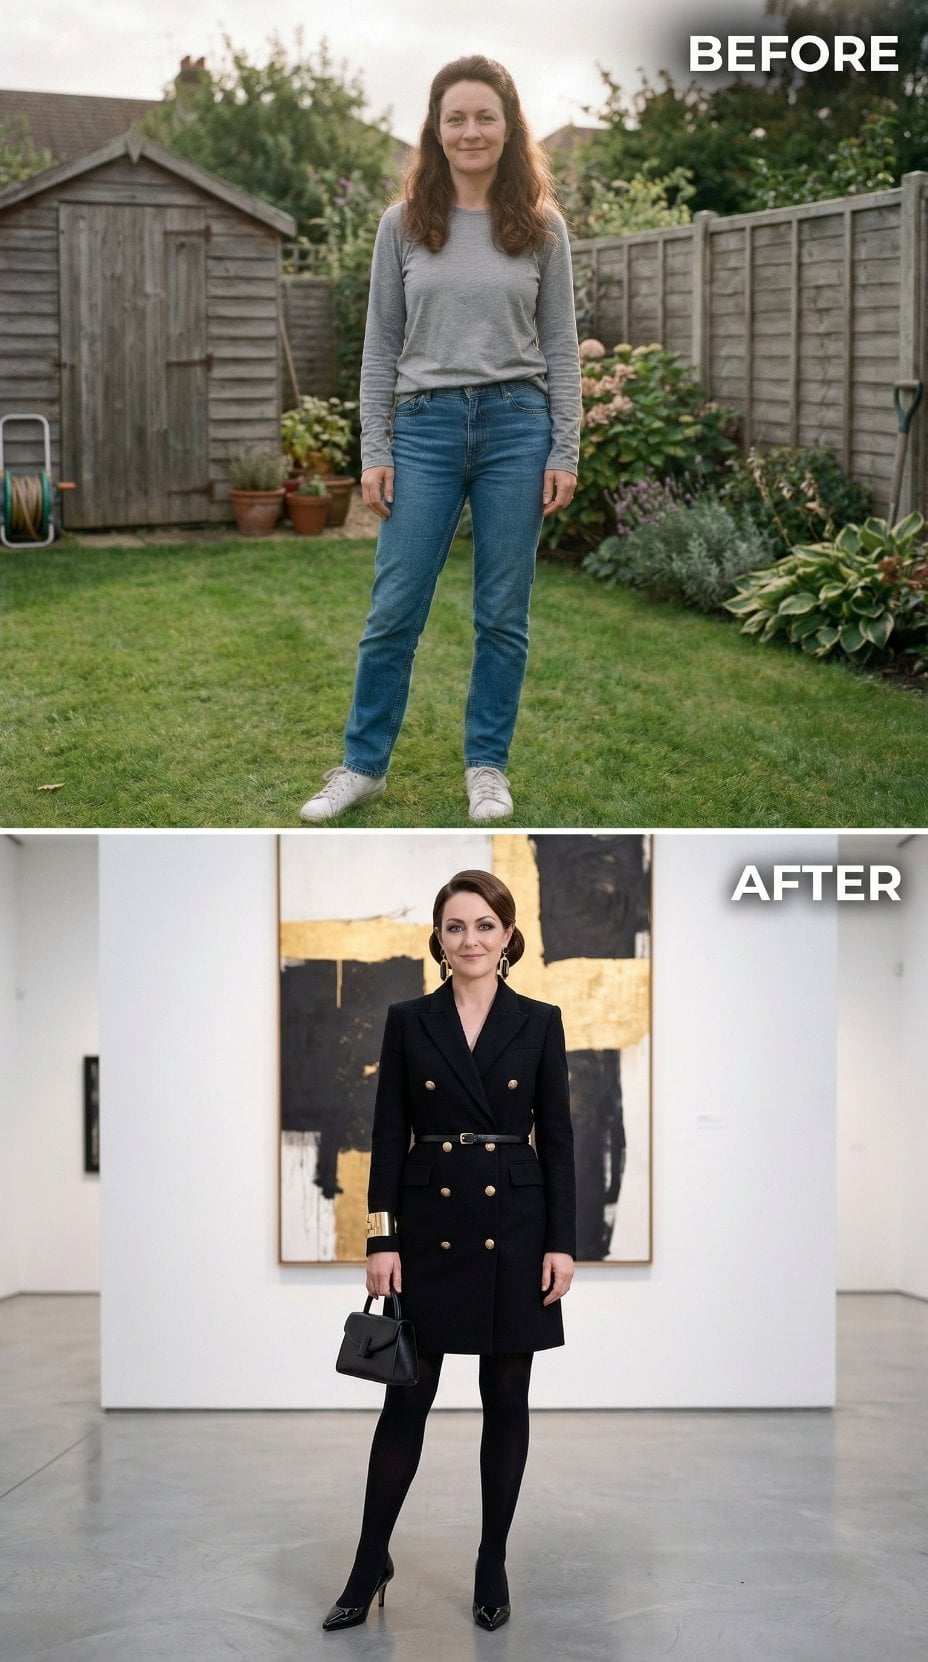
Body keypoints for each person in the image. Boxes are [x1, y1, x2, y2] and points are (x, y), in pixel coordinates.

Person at [301, 55, 581, 827]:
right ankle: (362, 765)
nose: (470, 131)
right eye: (455, 117)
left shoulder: (542, 228)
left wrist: (564, 450)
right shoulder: (402, 225)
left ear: (508, 126)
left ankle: (487, 767)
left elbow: (560, 348)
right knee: (394, 609)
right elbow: (379, 347)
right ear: (436, 127)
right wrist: (375, 448)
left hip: (516, 430)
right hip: (422, 430)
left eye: (485, 116)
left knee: (502, 612)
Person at [322, 870, 576, 1632]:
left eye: (485, 925)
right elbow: (386, 1131)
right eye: (456, 926)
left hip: (516, 1223)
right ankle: (370, 1561)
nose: (470, 939)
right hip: (428, 1227)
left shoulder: (540, 1020)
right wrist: (382, 1236)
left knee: (507, 1400)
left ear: (508, 937)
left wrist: (563, 1242)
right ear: (438, 937)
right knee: (406, 1399)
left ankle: (491, 1558)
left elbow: (557, 1138)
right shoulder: (409, 1019)